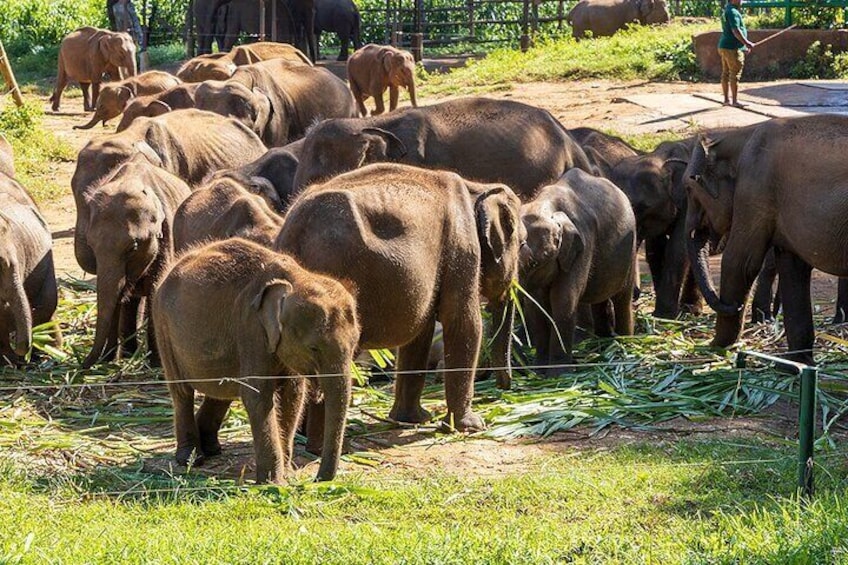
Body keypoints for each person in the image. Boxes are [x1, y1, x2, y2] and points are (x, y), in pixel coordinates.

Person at [718, 0, 755, 107]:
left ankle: (726, 100)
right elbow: (735, 31)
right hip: (731, 48)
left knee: (726, 73)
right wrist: (747, 43)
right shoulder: (733, 12)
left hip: (724, 46)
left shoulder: (727, 10)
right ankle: (734, 101)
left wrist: (743, 46)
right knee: (735, 73)